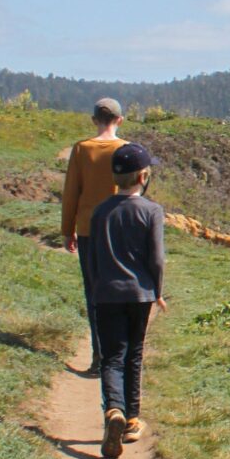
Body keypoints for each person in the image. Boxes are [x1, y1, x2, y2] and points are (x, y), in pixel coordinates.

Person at [87, 142, 167, 459]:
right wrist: (157, 291)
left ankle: (114, 412)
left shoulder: (100, 211)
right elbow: (157, 258)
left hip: (106, 294)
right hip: (140, 294)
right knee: (134, 355)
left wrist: (95, 288)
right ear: (144, 176)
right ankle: (132, 419)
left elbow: (92, 257)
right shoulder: (151, 211)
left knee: (112, 358)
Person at [61, 98, 127, 374]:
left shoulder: (81, 149)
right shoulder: (126, 150)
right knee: (120, 291)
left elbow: (71, 193)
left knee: (94, 293)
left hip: (89, 230)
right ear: (120, 121)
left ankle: (99, 357)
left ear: (93, 120)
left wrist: (68, 230)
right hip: (120, 231)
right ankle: (119, 356)